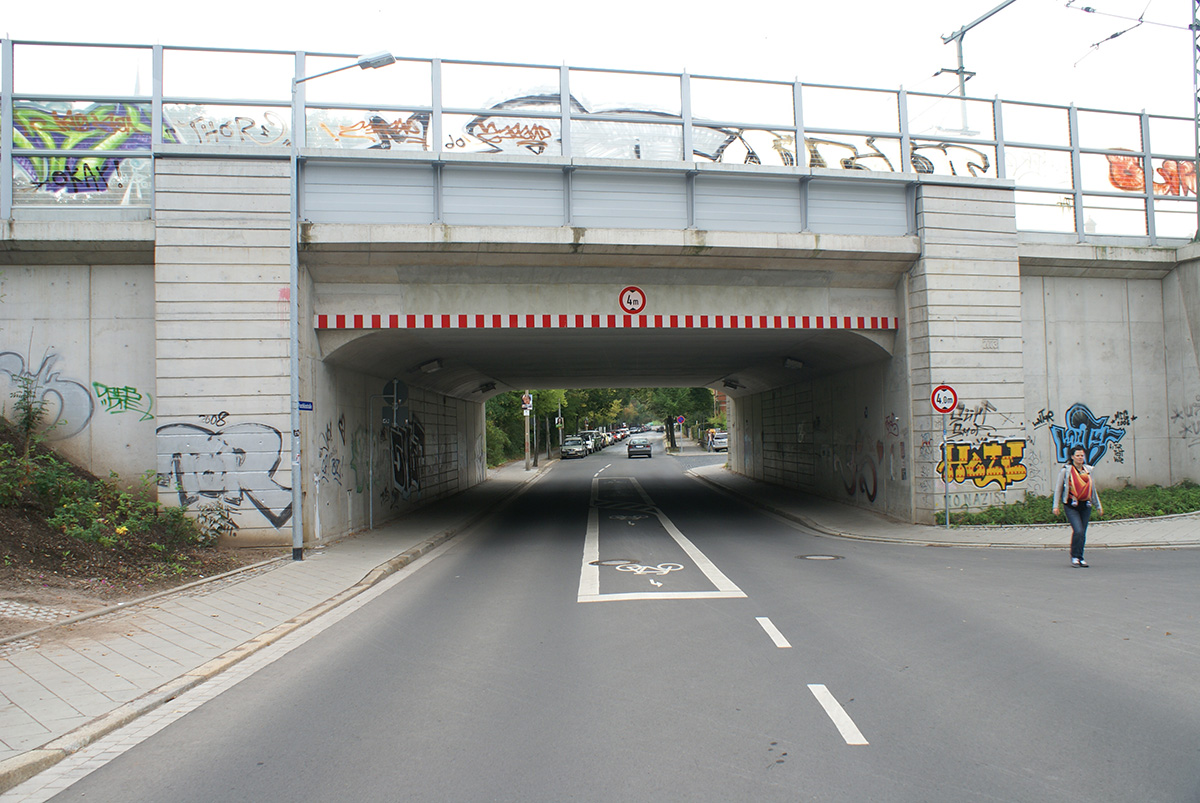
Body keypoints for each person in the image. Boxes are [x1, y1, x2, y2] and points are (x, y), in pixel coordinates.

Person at [1052, 446, 1104, 568]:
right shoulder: (1066, 471)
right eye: (1078, 455)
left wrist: (1098, 506)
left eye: (1082, 455)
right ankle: (1074, 556)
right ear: (1072, 457)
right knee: (1078, 530)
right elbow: (1058, 489)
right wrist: (1056, 506)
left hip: (1085, 505)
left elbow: (1092, 490)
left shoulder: (1088, 471)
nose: (1080, 458)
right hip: (1071, 505)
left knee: (1082, 533)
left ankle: (1081, 557)